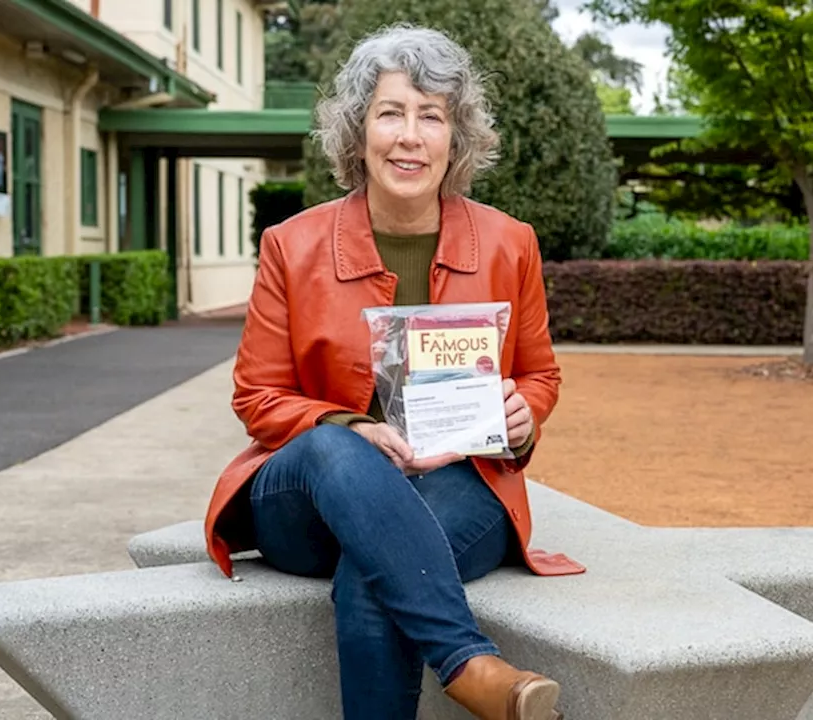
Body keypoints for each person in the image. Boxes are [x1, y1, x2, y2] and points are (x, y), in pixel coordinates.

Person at [200, 24, 585, 720]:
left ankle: (474, 673)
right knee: (331, 446)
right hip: (309, 499)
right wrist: (352, 427)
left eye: (431, 116)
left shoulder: (510, 242)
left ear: (455, 138)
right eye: (390, 112)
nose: (410, 135)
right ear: (358, 131)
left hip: (456, 482)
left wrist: (525, 412)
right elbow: (256, 396)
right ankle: (468, 662)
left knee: (371, 575)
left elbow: (538, 375)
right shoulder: (291, 245)